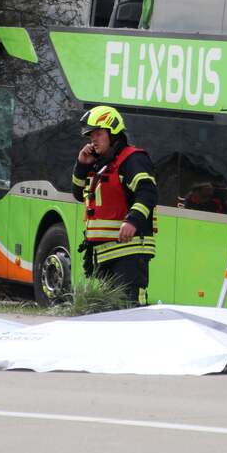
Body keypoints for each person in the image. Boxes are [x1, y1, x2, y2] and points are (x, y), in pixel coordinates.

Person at [72, 105, 157, 305]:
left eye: (98, 134)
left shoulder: (132, 159)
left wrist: (133, 221)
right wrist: (82, 165)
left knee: (129, 311)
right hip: (103, 255)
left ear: (113, 133)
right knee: (106, 315)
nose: (93, 139)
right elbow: (78, 194)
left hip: (128, 252)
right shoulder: (100, 165)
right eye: (91, 135)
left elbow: (147, 192)